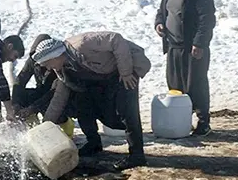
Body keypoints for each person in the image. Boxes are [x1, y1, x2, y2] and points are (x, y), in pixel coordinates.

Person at [32, 32, 151, 170]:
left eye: (48, 63)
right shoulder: (64, 70)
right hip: (105, 76)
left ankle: (137, 155)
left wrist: (126, 72)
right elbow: (58, 99)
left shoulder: (81, 44)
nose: (48, 68)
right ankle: (93, 143)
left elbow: (116, 39)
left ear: (55, 56)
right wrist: (45, 127)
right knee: (83, 103)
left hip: (126, 67)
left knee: (127, 110)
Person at [155, 0, 216, 136]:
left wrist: (199, 42)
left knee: (195, 84)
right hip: (174, 46)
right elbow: (162, 12)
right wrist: (159, 24)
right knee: (175, 85)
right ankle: (182, 120)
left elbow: (207, 19)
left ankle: (203, 122)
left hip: (193, 47)